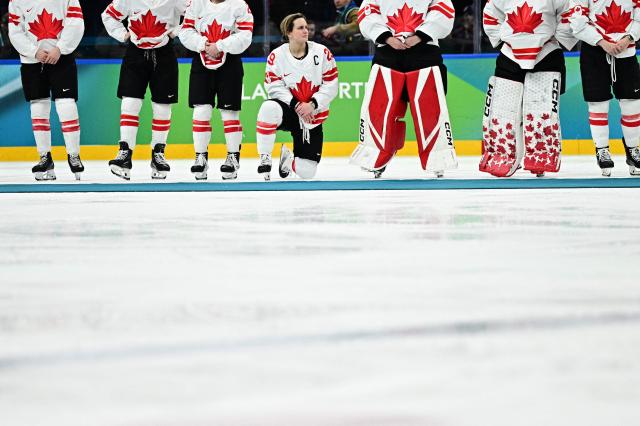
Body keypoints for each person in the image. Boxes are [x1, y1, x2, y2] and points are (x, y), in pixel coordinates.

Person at [351, 0, 457, 178]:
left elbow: (443, 9)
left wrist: (420, 36)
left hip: (425, 52)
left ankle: (436, 158)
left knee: (429, 109)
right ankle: (377, 156)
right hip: (387, 53)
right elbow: (368, 12)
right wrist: (387, 37)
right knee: (382, 108)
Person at [480, 0, 577, 177]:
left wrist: (558, 37)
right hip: (509, 55)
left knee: (542, 111)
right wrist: (503, 40)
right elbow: (490, 14)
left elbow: (570, 13)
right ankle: (504, 156)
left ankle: (541, 155)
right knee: (503, 111)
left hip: (547, 53)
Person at [102, 0, 188, 180]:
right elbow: (108, 15)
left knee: (162, 107)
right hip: (135, 54)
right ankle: (125, 152)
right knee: (129, 103)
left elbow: (196, 13)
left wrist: (176, 32)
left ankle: (158, 153)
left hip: (164, 54)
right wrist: (122, 34)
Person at [255, 13, 339, 180]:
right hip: (289, 110)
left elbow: (332, 84)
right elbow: (273, 86)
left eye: (306, 27)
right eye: (300, 28)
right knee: (268, 108)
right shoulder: (276, 56)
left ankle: (288, 160)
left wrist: (313, 105)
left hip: (312, 115)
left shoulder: (322, 53)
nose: (306, 31)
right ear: (289, 33)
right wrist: (296, 104)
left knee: (307, 173)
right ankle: (265, 158)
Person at [8, 0, 85, 181]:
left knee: (66, 104)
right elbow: (15, 30)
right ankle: (45, 157)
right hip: (32, 61)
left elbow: (75, 22)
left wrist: (60, 48)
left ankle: (74, 155)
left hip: (61, 58)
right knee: (38, 106)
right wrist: (33, 51)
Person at [179, 0, 253, 181]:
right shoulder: (196, 4)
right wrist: (204, 45)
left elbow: (245, 35)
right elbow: (185, 31)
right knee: (201, 110)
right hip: (201, 60)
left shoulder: (239, 5)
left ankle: (233, 157)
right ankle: (200, 156)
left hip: (231, 63)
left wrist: (219, 46)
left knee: (229, 112)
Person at [568, 0, 640, 176]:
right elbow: (577, 21)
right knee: (597, 103)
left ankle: (633, 150)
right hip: (594, 54)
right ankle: (602, 150)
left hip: (627, 51)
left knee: (632, 103)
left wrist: (629, 38)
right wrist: (602, 42)